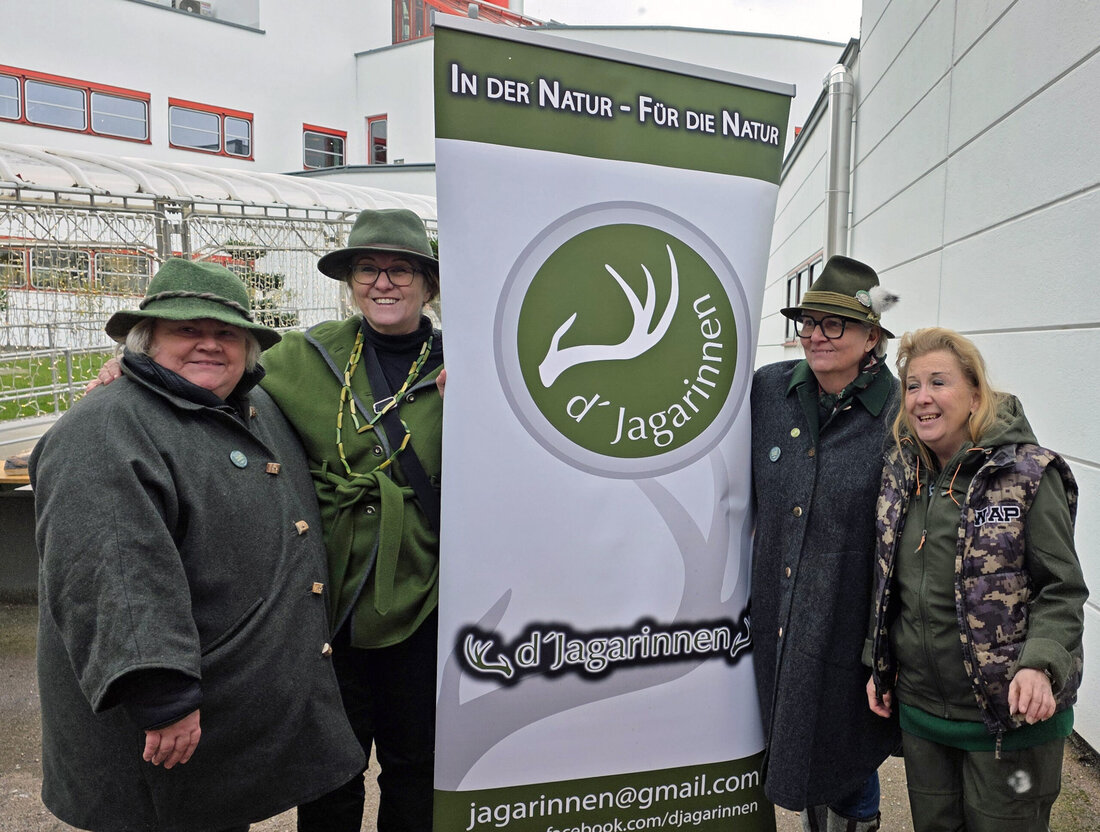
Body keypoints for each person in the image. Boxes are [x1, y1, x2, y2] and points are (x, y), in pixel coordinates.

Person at [31, 258, 365, 832]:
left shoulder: (250, 407)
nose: (209, 344)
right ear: (145, 341)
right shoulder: (106, 429)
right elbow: (113, 575)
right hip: (162, 719)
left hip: (222, 706)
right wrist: (163, 697)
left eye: (226, 333)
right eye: (187, 329)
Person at [260, 207, 444, 832]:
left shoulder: (469, 362)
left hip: (426, 591)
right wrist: (126, 371)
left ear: (428, 284)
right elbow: (213, 374)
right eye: (367, 268)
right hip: (328, 593)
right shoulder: (303, 356)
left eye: (400, 270)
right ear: (350, 281)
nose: (382, 283)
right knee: (330, 768)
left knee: (417, 763)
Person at [866, 327, 1086, 832]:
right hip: (924, 717)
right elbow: (889, 586)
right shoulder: (902, 472)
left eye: (938, 382)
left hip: (1009, 722)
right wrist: (877, 663)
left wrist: (1040, 665)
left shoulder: (1027, 473)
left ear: (975, 393)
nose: (922, 397)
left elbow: (1062, 588)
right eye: (913, 385)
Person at [750, 255, 901, 831]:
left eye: (833, 324)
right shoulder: (769, 391)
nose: (815, 335)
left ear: (871, 337)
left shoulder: (899, 414)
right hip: (778, 610)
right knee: (793, 737)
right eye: (808, 322)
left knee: (847, 751)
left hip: (851, 619)